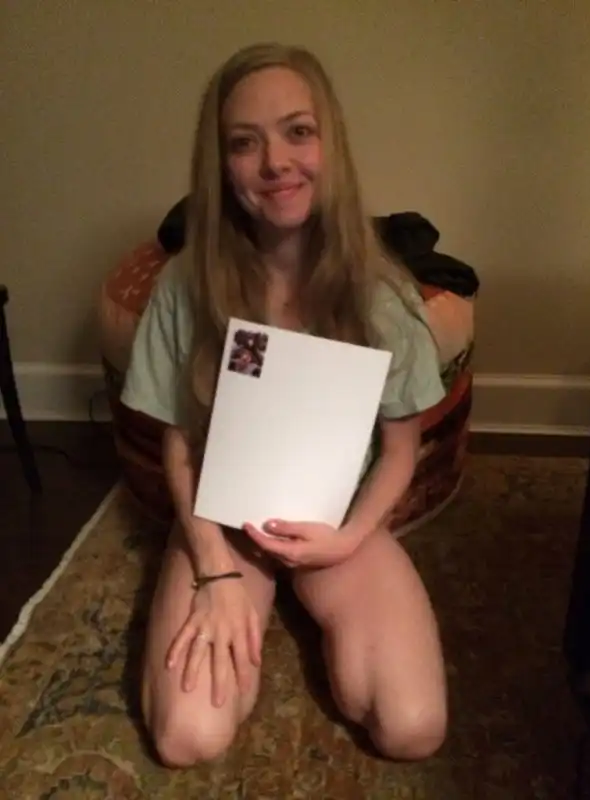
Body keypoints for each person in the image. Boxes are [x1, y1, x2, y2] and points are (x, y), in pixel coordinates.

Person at [121, 42, 448, 768]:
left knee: (413, 728)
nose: (275, 162)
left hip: (336, 518)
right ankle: (250, 590)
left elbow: (401, 450)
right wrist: (214, 569)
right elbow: (179, 444)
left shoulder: (384, 295)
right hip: (223, 515)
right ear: (221, 165)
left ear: (331, 144)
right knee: (187, 737)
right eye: (245, 143)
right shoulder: (185, 287)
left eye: (298, 132)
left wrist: (348, 539)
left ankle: (317, 592)